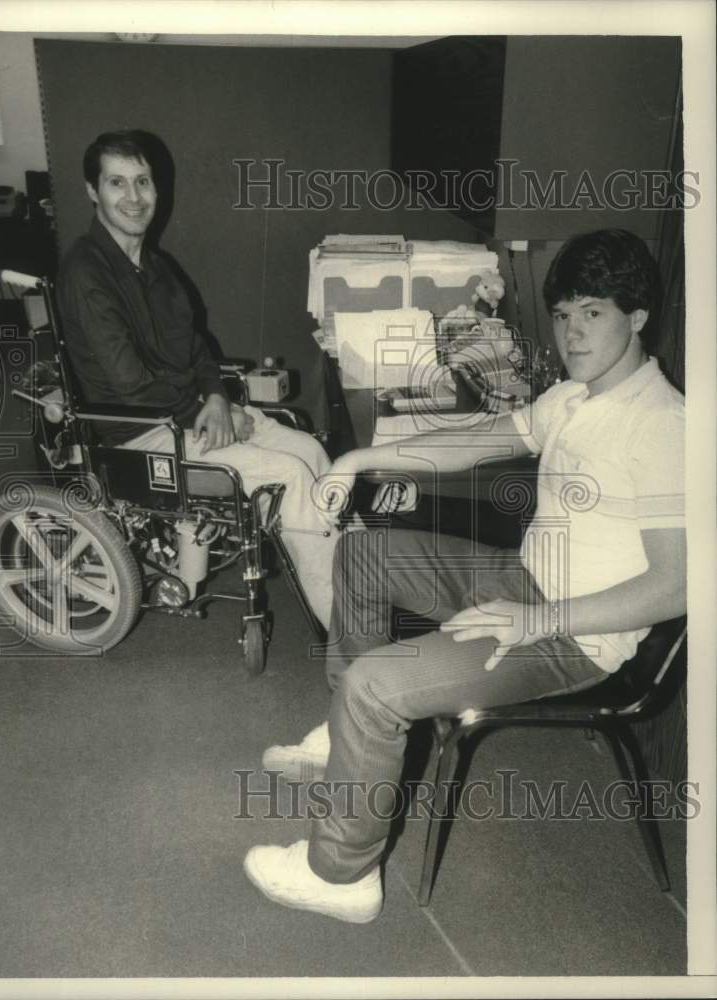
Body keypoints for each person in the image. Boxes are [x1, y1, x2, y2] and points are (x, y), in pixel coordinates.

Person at [243, 228, 686, 923]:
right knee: (361, 556)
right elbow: (480, 440)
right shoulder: (578, 397)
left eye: (592, 313)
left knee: (374, 686)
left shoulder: (664, 427)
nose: (571, 332)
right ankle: (346, 739)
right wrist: (359, 463)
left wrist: (537, 620)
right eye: (563, 313)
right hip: (525, 581)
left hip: (574, 635)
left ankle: (341, 876)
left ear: (637, 317)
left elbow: (679, 586)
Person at [56, 130, 336, 629]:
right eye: (117, 182)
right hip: (140, 434)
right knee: (291, 476)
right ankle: (343, 628)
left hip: (187, 414)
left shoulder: (157, 268)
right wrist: (209, 411)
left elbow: (198, 346)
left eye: (142, 181)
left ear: (157, 190)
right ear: (92, 192)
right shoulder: (85, 273)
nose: (134, 197)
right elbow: (128, 385)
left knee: (311, 453)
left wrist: (215, 396)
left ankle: (354, 585)